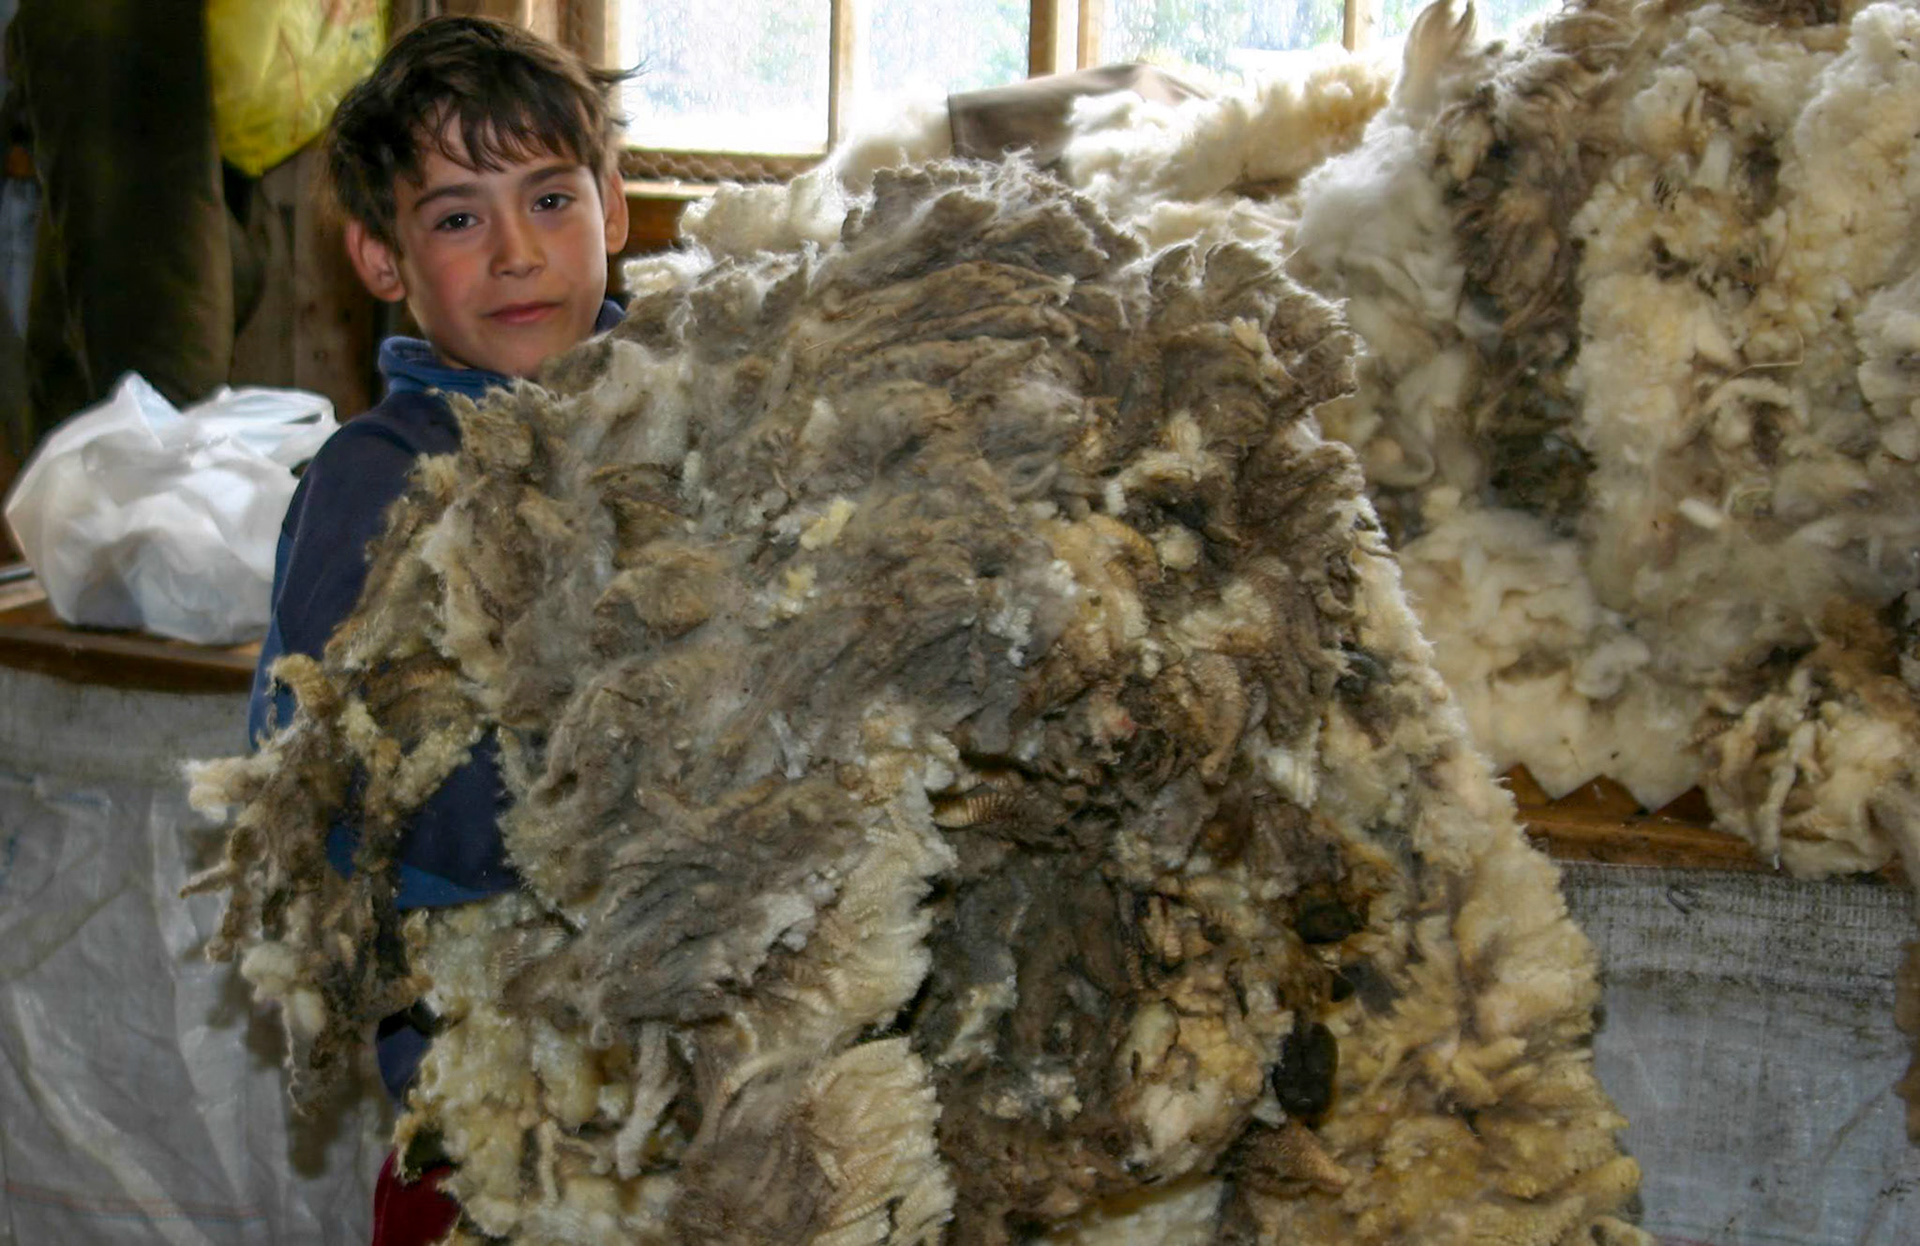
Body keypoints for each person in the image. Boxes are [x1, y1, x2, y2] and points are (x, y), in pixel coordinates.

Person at [244, 16, 631, 1244]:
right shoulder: (380, 482)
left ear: (615, 207)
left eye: (551, 199)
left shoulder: (693, 426)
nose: (519, 253)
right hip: (491, 1134)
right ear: (380, 255)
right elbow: (339, 791)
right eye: (459, 218)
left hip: (717, 1119)